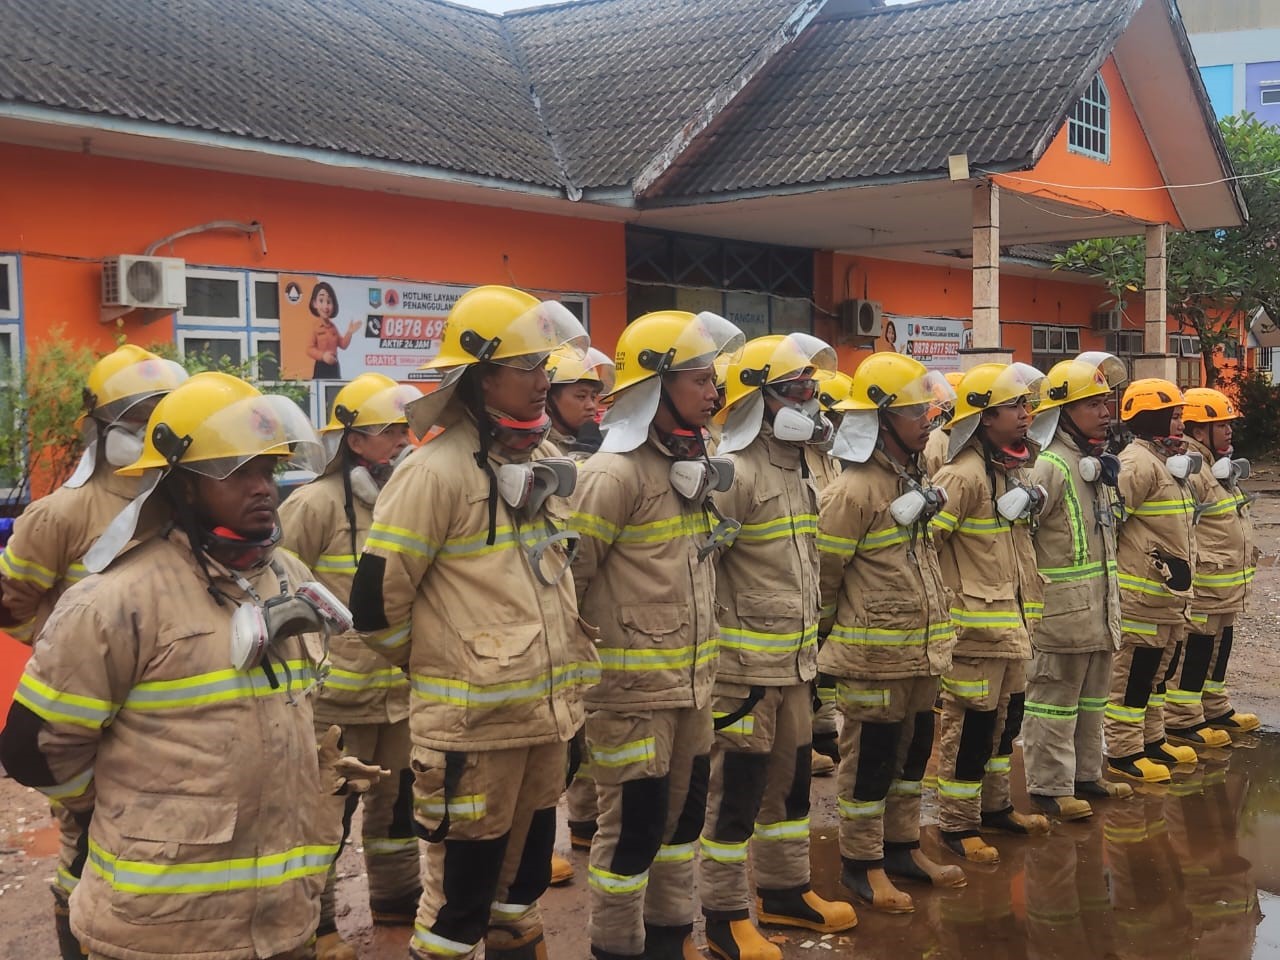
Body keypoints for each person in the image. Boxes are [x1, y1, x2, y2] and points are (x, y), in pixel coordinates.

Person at [0, 372, 381, 960]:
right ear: (178, 488)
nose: (262, 489)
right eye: (235, 473)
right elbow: (34, 748)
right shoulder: (116, 599)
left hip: (283, 925)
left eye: (267, 470)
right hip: (159, 931)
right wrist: (122, 805)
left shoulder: (289, 578)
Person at [349, 284, 599, 960]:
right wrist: (441, 665)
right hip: (469, 736)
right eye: (529, 367)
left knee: (519, 895)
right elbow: (375, 605)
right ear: (480, 375)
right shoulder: (431, 472)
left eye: (547, 365)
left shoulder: (546, 462)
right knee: (459, 907)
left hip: (544, 723)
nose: (545, 380)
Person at [0, 343, 186, 960]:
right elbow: (11, 603)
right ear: (100, 426)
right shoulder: (59, 514)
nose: (150, 431)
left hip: (170, 712)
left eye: (163, 416)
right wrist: (61, 645)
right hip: (88, 715)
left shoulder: (184, 500)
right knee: (87, 846)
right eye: (136, 419)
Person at [568, 309, 743, 960]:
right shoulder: (612, 475)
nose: (712, 392)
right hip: (631, 692)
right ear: (657, 385)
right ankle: (616, 947)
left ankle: (670, 938)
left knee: (683, 822)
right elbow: (570, 583)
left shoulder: (696, 461)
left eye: (713, 378)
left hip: (692, 686)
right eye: (699, 378)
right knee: (632, 830)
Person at [696, 334, 856, 960]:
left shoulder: (797, 467)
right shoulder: (731, 473)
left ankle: (785, 891)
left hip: (793, 663)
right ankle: (725, 913)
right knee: (734, 793)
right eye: (794, 391)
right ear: (756, 398)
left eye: (811, 390)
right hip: (742, 672)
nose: (809, 401)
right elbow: (700, 571)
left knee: (789, 789)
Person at [278, 373, 423, 960]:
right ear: (354, 442)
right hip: (336, 701)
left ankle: (396, 900)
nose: (401, 441)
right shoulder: (313, 504)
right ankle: (318, 925)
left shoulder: (409, 497)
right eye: (389, 431)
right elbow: (276, 588)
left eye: (404, 430)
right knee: (325, 819)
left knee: (400, 808)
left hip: (400, 692)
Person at [818, 352, 965, 913]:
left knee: (911, 758)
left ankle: (902, 849)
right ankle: (862, 864)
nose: (925, 420)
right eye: (912, 412)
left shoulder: (913, 478)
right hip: (872, 659)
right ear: (880, 420)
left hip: (920, 656)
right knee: (870, 763)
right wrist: (827, 643)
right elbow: (824, 578)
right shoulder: (853, 490)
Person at [930, 362, 1051, 864]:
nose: (1026, 415)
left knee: (1007, 722)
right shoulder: (960, 477)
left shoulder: (1009, 473)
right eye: (1015, 407)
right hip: (974, 634)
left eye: (1026, 406)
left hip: (1012, 627)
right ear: (983, 415)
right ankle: (956, 825)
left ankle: (996, 807)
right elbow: (926, 547)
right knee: (971, 728)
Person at [1022, 353, 1135, 821]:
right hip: (1059, 617)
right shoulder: (1048, 466)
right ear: (1064, 411)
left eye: (1108, 402)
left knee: (1091, 701)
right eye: (1094, 404)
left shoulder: (1095, 463)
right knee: (1054, 704)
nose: (1106, 412)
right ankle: (1049, 789)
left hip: (1097, 614)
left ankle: (1087, 775)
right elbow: (1022, 536)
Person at [544, 344, 617, 873]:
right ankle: (540, 841)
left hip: (589, 604)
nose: (593, 404)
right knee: (553, 732)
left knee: (588, 726)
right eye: (581, 394)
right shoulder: (539, 453)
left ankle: (585, 825)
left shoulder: (593, 446)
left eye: (596, 395)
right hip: (553, 602)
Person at [1104, 378, 1199, 783]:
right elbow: (1110, 521)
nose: (1180, 423)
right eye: (1174, 415)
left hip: (1166, 596)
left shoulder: (1165, 461)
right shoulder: (1137, 463)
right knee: (1133, 674)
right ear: (1151, 417)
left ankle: (1152, 737)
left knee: (1159, 670)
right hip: (1142, 594)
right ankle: (1124, 751)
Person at [1163, 388, 1260, 742]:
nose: (1230, 431)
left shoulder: (1217, 467)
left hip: (1224, 585)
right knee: (1197, 646)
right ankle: (1182, 716)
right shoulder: (1193, 468)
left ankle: (1213, 705)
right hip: (1205, 584)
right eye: (1223, 424)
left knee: (1222, 641)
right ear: (1200, 430)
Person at [807, 369, 855, 777]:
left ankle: (821, 731)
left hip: (817, 573)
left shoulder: (827, 456)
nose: (834, 427)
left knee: (821, 664)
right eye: (832, 417)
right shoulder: (800, 454)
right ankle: (804, 739)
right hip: (804, 574)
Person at [547, 345, 614, 458]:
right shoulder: (538, 450)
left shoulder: (604, 444)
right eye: (581, 396)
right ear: (549, 400)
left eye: (593, 397)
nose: (591, 406)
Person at [307, 281, 360, 379]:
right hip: (321, 366)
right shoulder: (315, 327)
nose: (325, 306)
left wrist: (350, 332)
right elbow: (309, 349)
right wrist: (323, 356)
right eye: (321, 300)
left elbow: (343, 345)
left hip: (334, 366)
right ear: (314, 303)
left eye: (329, 302)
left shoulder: (333, 327)